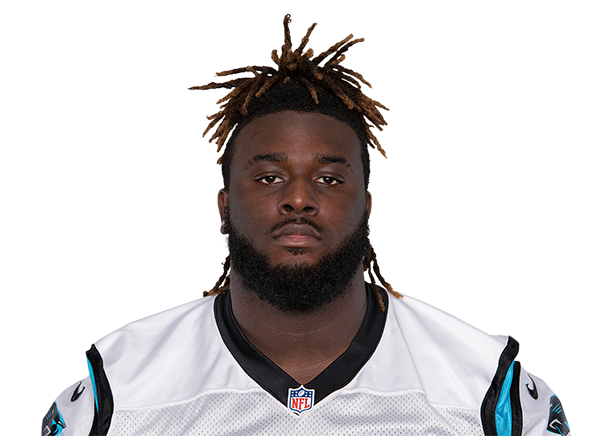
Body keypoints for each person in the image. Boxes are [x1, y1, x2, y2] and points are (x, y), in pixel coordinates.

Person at [55, 15, 570, 436]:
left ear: (367, 205)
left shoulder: (483, 382)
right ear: (224, 205)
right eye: (270, 177)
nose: (299, 198)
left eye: (328, 178)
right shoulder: (119, 381)